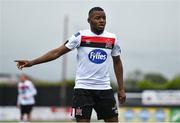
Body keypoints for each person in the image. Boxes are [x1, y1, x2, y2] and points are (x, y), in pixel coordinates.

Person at [15, 7, 126, 122]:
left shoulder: (112, 38)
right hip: (83, 90)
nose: (102, 20)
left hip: (104, 89)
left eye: (104, 18)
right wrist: (32, 62)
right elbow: (57, 52)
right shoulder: (80, 36)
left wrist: (121, 88)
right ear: (89, 20)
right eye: (97, 18)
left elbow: (117, 62)